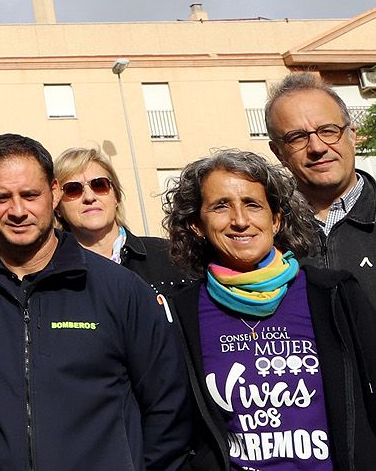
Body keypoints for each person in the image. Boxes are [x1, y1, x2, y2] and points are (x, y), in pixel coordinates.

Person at [0, 133, 191, 471]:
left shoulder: (120, 289)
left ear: (53, 192)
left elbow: (167, 406)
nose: (18, 210)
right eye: (1, 197)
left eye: (30, 195)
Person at [160, 150, 376, 471]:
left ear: (275, 219)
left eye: (253, 204)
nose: (240, 220)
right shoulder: (181, 313)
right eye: (221, 206)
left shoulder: (333, 294)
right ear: (196, 225)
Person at [264, 71, 376, 305]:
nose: (317, 147)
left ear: (352, 136)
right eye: (297, 137)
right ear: (278, 152)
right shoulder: (263, 234)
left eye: (328, 131)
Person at [55, 145, 187, 290]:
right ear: (57, 208)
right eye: (73, 189)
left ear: (116, 197)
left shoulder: (170, 255)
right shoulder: (49, 274)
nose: (89, 197)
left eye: (99, 185)